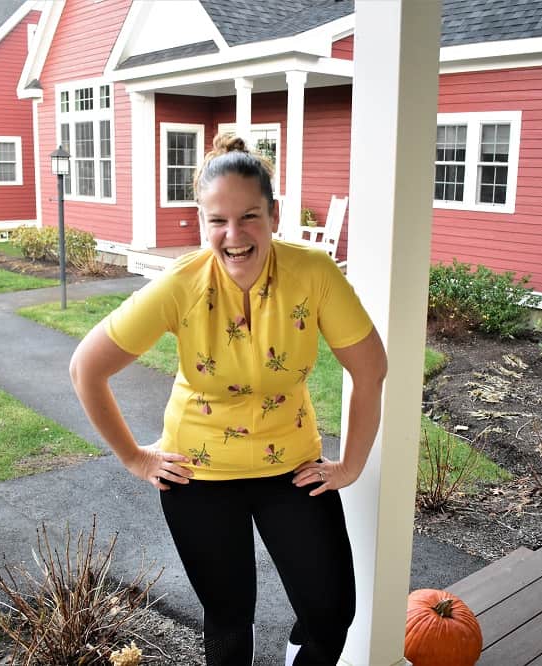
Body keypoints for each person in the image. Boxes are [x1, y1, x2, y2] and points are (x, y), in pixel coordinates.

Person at [69, 134, 387, 665]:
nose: (233, 235)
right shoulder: (182, 284)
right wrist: (136, 457)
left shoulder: (312, 274)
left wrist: (351, 464)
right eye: (217, 220)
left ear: (274, 215)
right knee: (229, 623)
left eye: (249, 217)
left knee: (331, 613)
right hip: (199, 477)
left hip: (291, 468)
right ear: (201, 222)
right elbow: (86, 368)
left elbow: (370, 368)